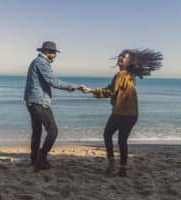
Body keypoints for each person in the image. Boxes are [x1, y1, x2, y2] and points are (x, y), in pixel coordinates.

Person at [24, 41, 82, 172]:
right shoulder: (42, 62)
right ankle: (41, 160)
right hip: (39, 102)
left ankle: (34, 160)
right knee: (53, 131)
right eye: (53, 53)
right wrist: (74, 86)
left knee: (37, 132)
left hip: (32, 101)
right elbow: (53, 81)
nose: (55, 55)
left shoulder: (36, 62)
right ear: (47, 52)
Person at [80, 50, 139, 177]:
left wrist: (90, 90)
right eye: (120, 56)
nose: (120, 58)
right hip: (133, 114)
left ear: (129, 62)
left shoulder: (120, 75)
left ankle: (111, 164)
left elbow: (109, 91)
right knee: (122, 141)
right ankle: (123, 169)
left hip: (121, 114)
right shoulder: (130, 76)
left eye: (124, 57)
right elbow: (114, 90)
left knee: (107, 135)